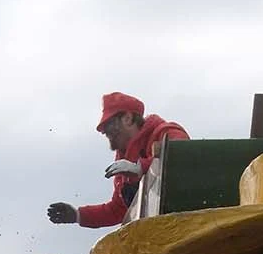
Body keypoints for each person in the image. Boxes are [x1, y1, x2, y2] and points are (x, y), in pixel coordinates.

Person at [48, 91, 189, 229]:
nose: (104, 132)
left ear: (127, 118)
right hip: (157, 232)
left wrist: (140, 168)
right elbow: (117, 210)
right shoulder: (124, 161)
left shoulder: (165, 132)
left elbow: (181, 157)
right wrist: (77, 215)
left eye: (108, 124)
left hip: (184, 224)